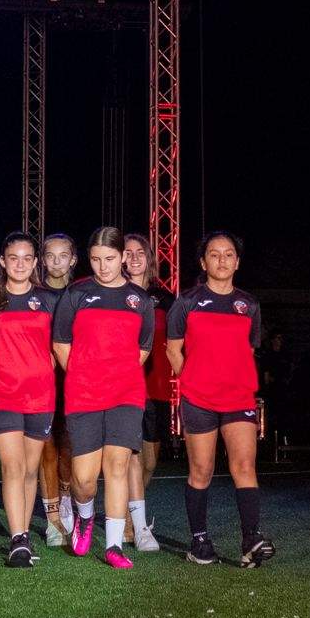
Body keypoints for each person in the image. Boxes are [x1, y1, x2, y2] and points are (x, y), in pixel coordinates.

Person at [52, 227, 156, 569]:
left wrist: (117, 375)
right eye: (96, 259)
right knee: (83, 479)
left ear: (123, 257)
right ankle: (84, 516)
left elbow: (143, 348)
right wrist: (86, 373)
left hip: (126, 394)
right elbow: (61, 343)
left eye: (110, 259)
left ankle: (113, 546)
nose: (103, 266)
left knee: (117, 466)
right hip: (83, 394)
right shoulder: (76, 293)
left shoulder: (139, 300)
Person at [167, 231, 273, 567]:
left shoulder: (249, 305)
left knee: (244, 466)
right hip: (198, 398)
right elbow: (173, 349)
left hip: (238, 396)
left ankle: (250, 540)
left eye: (229, 254)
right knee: (202, 470)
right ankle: (200, 542)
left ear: (237, 262)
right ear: (203, 262)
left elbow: (250, 349)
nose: (222, 260)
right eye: (214, 254)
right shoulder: (186, 302)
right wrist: (195, 378)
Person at [0, 232, 59, 568]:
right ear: (2, 261)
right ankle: (18, 540)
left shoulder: (50, 300)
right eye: (14, 258)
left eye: (27, 258)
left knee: (28, 469)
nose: (20, 264)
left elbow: (58, 347)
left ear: (35, 263)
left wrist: (41, 370)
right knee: (12, 466)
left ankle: (22, 533)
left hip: (40, 395)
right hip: (3, 395)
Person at [121, 232, 172, 554]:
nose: (135, 257)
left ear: (149, 258)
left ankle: (129, 509)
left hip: (157, 387)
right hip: (125, 386)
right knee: (132, 457)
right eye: (128, 252)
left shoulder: (165, 298)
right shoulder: (115, 293)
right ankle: (132, 523)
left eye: (140, 252)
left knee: (151, 460)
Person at [35, 231, 78, 547]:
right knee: (45, 448)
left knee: (70, 449)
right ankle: (52, 522)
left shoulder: (82, 295)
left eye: (63, 255)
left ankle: (66, 501)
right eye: (51, 255)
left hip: (74, 382)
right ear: (42, 260)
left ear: (73, 259)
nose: (57, 261)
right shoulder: (33, 295)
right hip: (40, 383)